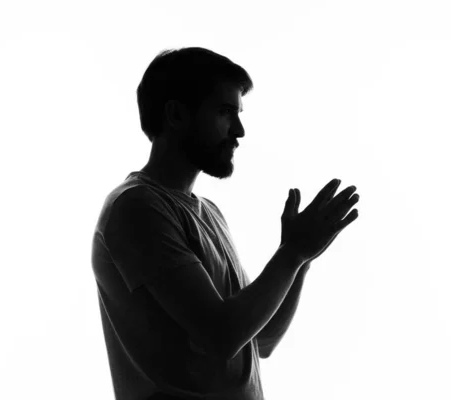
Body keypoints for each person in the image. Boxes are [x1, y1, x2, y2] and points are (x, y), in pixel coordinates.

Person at [90, 47, 360, 400]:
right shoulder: (137, 207)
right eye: (225, 112)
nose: (240, 130)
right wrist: (291, 254)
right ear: (175, 114)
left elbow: (262, 339)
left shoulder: (209, 213)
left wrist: (302, 259)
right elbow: (220, 337)